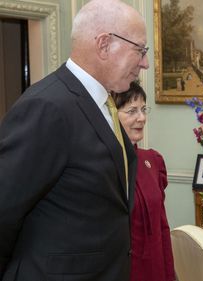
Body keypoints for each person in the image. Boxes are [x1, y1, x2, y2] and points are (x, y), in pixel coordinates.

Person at [0, 0, 149, 279]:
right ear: (104, 45)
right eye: (139, 50)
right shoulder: (48, 106)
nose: (146, 63)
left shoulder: (103, 103)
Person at [111, 81, 175, 281]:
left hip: (154, 269)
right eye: (131, 111)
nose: (141, 118)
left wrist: (168, 273)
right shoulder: (103, 166)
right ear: (111, 115)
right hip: (121, 270)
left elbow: (162, 226)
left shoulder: (153, 161)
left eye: (143, 109)